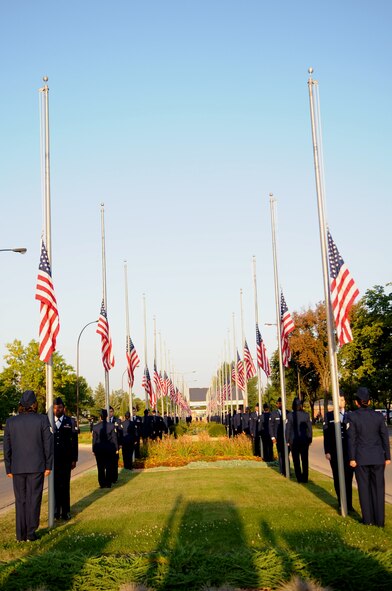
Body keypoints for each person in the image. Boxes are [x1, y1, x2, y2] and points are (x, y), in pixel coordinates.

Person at [3, 390, 53, 542]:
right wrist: (48, 465)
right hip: (37, 466)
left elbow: (7, 447)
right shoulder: (42, 420)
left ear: (21, 405)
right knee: (34, 498)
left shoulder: (11, 422)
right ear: (34, 404)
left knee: (20, 500)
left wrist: (8, 467)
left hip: (17, 468)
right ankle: (31, 533)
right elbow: (48, 445)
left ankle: (20, 534)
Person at [347, 387, 391, 526]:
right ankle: (380, 521)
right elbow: (385, 436)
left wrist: (352, 458)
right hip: (378, 457)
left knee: (364, 488)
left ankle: (368, 520)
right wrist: (387, 456)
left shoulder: (352, 417)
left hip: (361, 458)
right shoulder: (378, 416)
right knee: (378, 488)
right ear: (370, 401)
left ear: (356, 402)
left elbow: (351, 439)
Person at [323, 392, 354, 511]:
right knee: (337, 477)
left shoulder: (350, 415)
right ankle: (341, 502)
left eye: (342, 400)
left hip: (348, 452)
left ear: (345, 402)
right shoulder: (329, 416)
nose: (340, 402)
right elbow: (326, 435)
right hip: (334, 451)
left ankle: (349, 505)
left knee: (348, 478)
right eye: (338, 400)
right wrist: (327, 451)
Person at [53, 396, 78, 520]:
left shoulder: (70, 421)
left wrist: (74, 459)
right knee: (55, 486)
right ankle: (56, 511)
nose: (57, 410)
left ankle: (65, 511)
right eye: (55, 408)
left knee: (65, 485)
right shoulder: (48, 422)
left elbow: (75, 442)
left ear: (64, 408)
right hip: (53, 461)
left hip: (66, 459)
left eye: (60, 407)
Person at [285, 397, 312, 483]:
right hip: (304, 440)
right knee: (305, 460)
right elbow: (309, 429)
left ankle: (299, 478)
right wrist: (309, 439)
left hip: (294, 441)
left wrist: (287, 440)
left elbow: (288, 429)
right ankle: (305, 478)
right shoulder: (306, 415)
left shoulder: (289, 415)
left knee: (296, 460)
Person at [92, 409, 118, 488]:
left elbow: (94, 440)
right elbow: (114, 438)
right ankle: (108, 483)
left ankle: (102, 483)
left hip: (99, 449)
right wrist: (116, 448)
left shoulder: (95, 427)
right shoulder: (111, 426)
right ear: (106, 416)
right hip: (109, 449)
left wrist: (93, 449)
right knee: (109, 466)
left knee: (100, 467)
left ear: (100, 417)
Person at [270, 397, 286, 475]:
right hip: (278, 438)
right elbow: (271, 426)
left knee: (286, 454)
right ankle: (282, 470)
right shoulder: (273, 414)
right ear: (277, 404)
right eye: (279, 403)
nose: (280, 404)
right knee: (280, 454)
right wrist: (273, 437)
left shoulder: (287, 413)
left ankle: (287, 469)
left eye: (281, 403)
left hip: (286, 438)